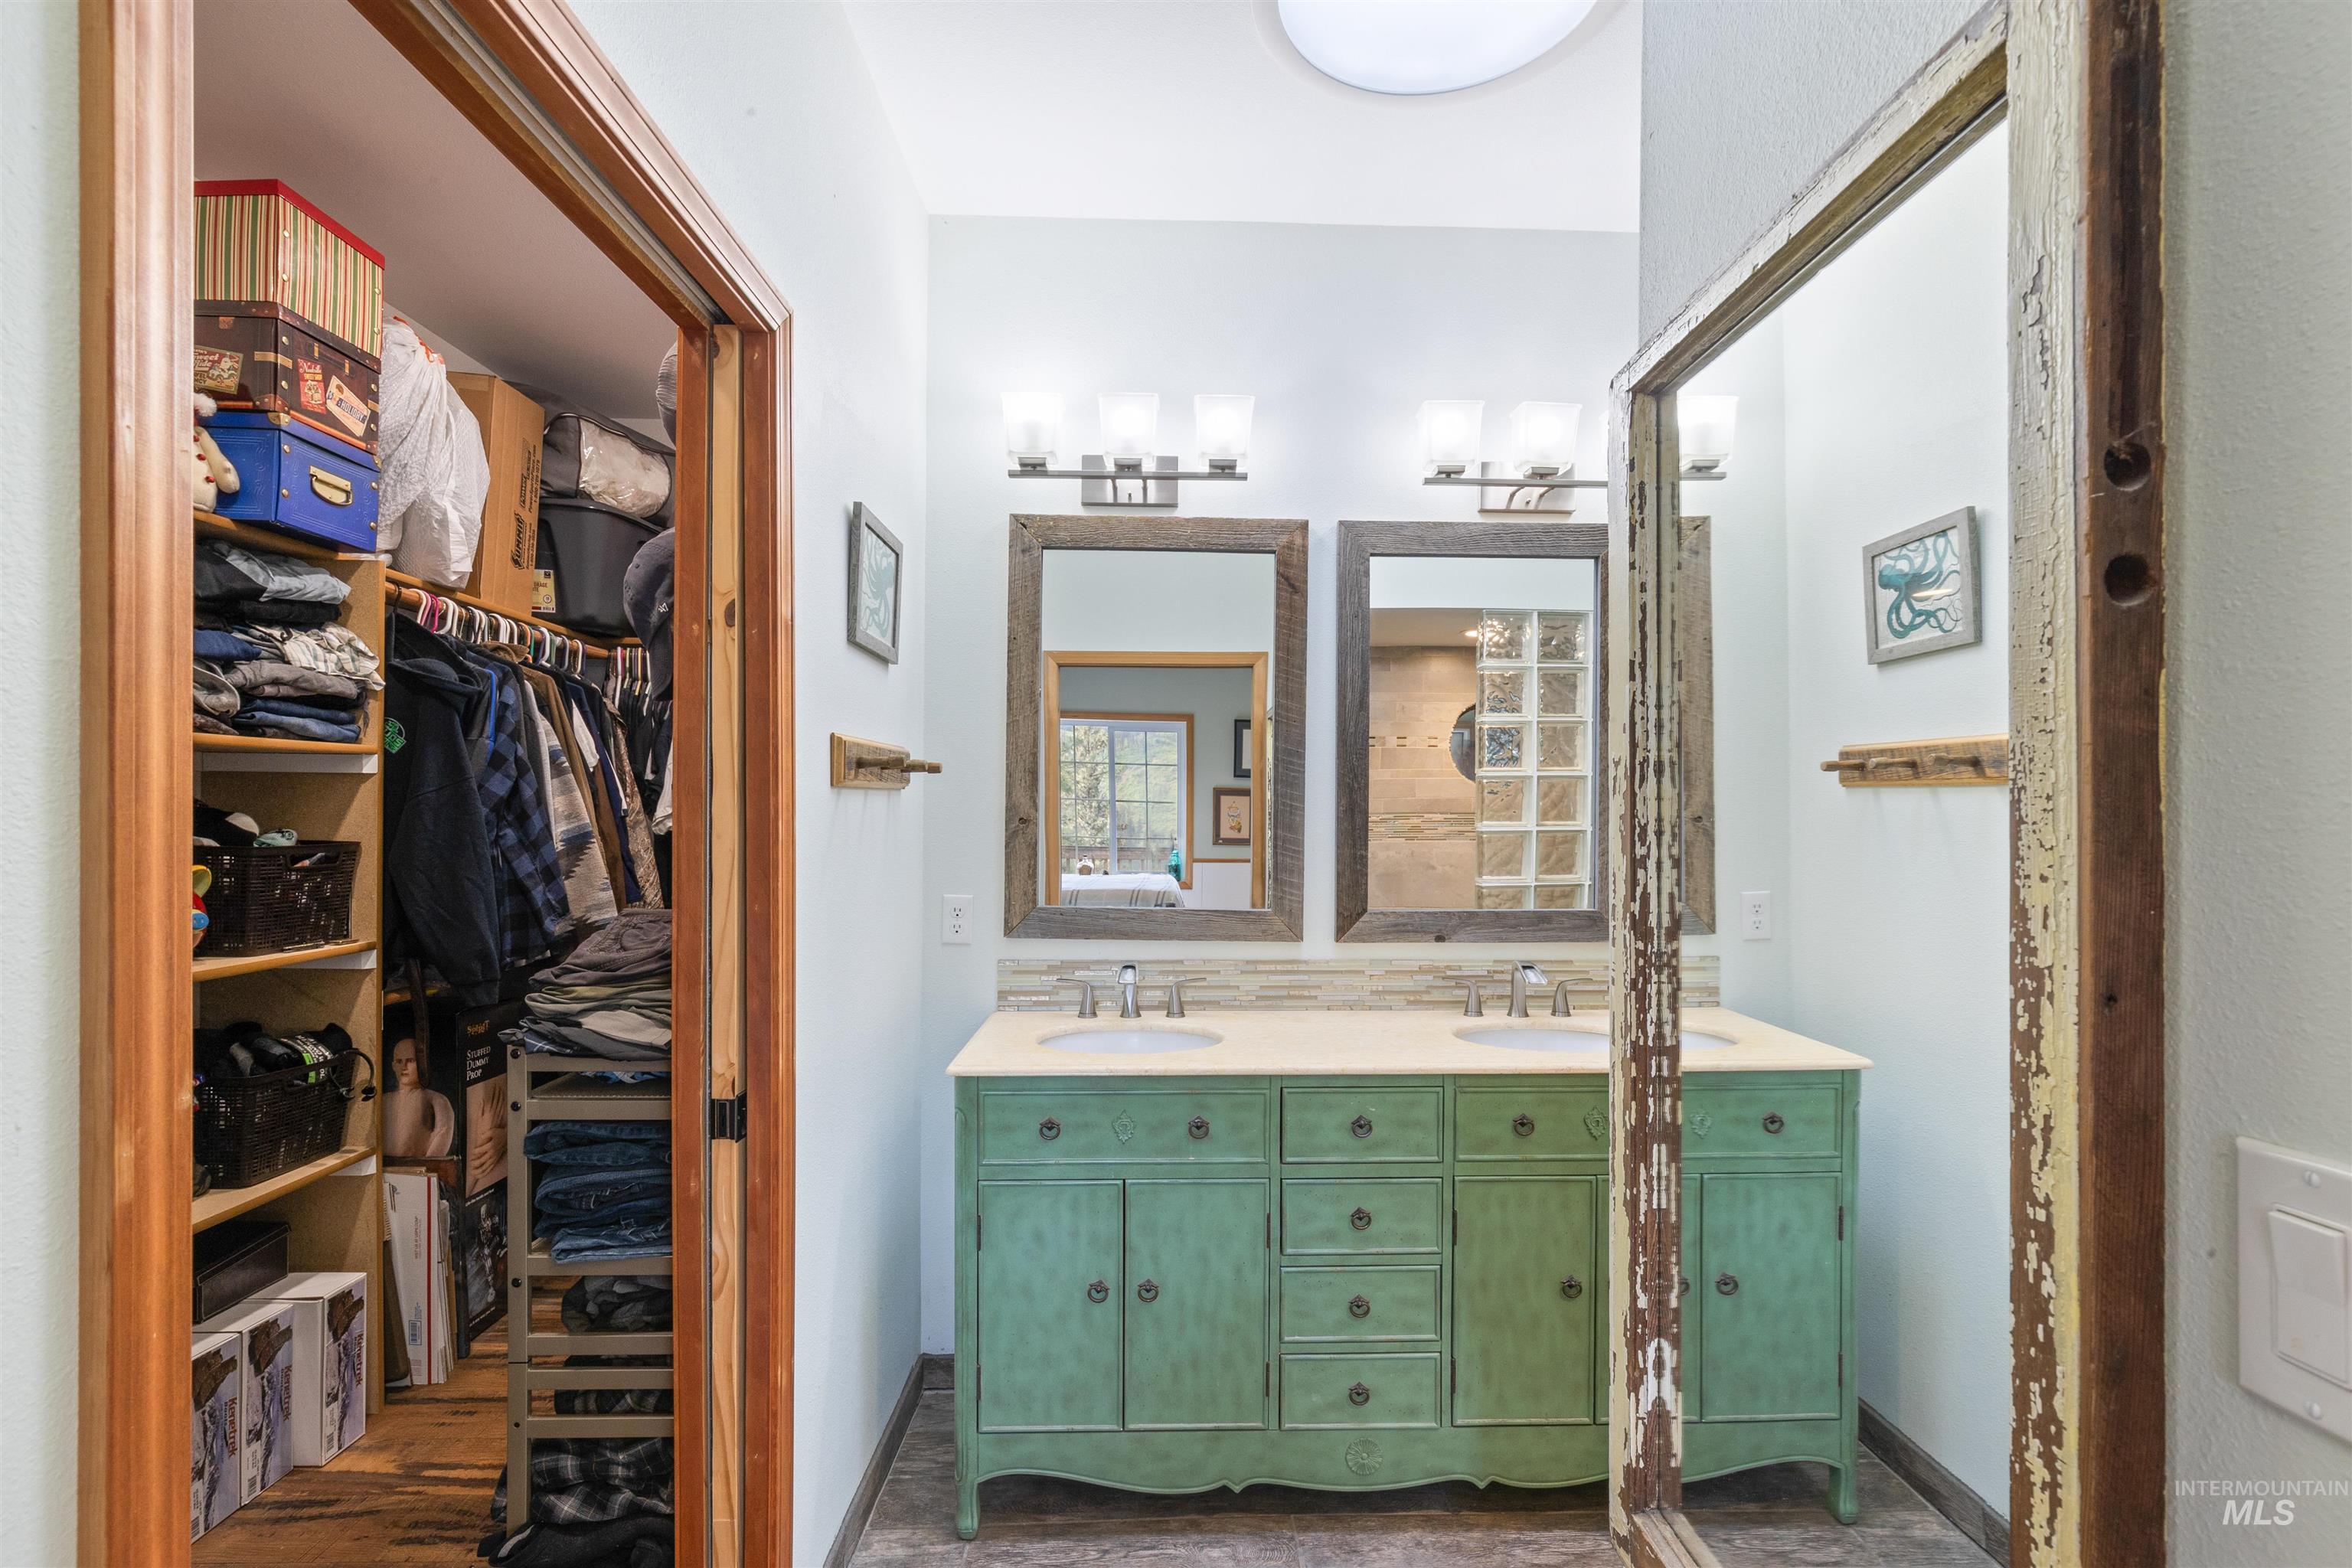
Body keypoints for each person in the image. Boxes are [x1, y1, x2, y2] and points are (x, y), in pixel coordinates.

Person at [381, 1034, 455, 1159]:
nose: (404, 1066)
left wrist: (426, 1167)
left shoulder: (437, 1099)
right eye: (399, 1061)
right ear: (393, 1066)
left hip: (418, 1171)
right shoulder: (383, 1100)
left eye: (410, 1060)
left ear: (422, 1063)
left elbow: (443, 1131)